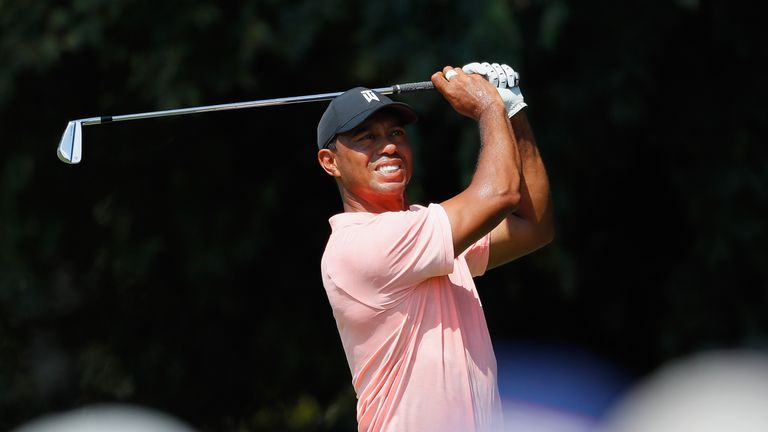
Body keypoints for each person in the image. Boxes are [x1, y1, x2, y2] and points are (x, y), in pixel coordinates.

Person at [316, 61, 554, 432]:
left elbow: (533, 227)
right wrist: (489, 107)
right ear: (330, 163)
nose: (389, 145)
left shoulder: (428, 232)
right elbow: (501, 194)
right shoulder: (359, 243)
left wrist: (514, 110)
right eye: (367, 138)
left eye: (395, 132)